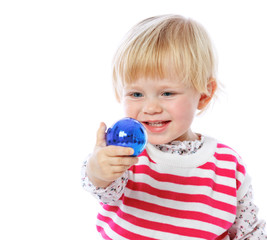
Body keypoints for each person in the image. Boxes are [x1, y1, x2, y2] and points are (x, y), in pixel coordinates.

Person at [81, 14, 267, 239]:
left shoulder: (228, 166)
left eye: (167, 93)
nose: (150, 108)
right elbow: (106, 190)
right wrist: (98, 171)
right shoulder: (127, 155)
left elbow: (249, 231)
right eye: (136, 94)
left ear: (204, 95)